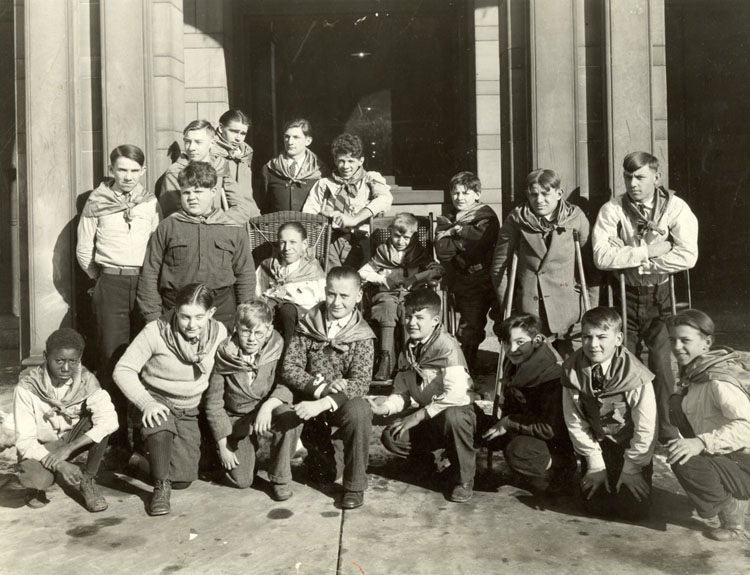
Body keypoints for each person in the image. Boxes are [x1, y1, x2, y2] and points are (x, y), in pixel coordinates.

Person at [592, 151, 698, 442]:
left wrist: (631, 257)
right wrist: (650, 251)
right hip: (624, 295)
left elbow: (687, 255)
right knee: (624, 361)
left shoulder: (675, 208)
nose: (633, 183)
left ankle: (665, 426)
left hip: (661, 295)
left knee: (662, 364)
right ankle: (630, 423)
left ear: (656, 177)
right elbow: (601, 256)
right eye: (628, 177)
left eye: (640, 177)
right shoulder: (612, 210)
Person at [114, 283, 227, 516]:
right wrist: (147, 402)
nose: (192, 324)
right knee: (159, 423)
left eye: (199, 317)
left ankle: (140, 460)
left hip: (189, 408)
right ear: (175, 310)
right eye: (185, 316)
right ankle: (159, 487)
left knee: (184, 479)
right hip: (157, 398)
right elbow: (122, 370)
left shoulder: (219, 333)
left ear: (211, 314)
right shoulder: (156, 331)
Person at [76, 144, 160, 453]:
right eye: (121, 169)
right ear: (112, 170)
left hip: (143, 284)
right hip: (109, 282)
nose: (127, 176)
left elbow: (156, 244)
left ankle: (144, 440)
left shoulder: (150, 203)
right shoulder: (95, 202)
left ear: (143, 171)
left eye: (134, 170)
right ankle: (116, 441)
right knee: (112, 360)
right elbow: (84, 250)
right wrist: (101, 281)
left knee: (144, 360)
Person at [370, 288, 478, 503]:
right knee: (392, 435)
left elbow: (457, 395)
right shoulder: (409, 349)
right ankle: (431, 463)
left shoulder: (446, 347)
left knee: (453, 416)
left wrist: (416, 417)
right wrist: (385, 408)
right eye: (408, 316)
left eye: (420, 317)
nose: (412, 323)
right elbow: (402, 392)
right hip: (431, 416)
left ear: (435, 320)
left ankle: (463, 478)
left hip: (458, 416)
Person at [280, 266, 375, 510]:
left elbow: (361, 381)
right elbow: (290, 366)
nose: (336, 302)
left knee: (360, 411)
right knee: (323, 475)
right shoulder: (309, 324)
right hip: (309, 402)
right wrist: (320, 389)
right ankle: (328, 454)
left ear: (358, 295)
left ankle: (354, 486)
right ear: (324, 292)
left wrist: (326, 401)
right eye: (331, 294)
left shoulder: (362, 334)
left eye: (344, 296)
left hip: (337, 405)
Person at [562, 306, 657, 520]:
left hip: (629, 444)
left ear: (618, 338)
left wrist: (632, 467)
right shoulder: (572, 370)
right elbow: (574, 420)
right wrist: (594, 462)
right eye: (587, 337)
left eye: (602, 337)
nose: (593, 344)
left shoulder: (635, 374)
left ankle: (631, 476)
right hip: (597, 443)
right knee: (595, 508)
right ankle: (600, 472)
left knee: (633, 511)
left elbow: (646, 425)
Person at [491, 169, 597, 358]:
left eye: (545, 194)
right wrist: (510, 308)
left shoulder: (575, 218)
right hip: (531, 311)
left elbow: (589, 267)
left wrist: (591, 307)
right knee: (538, 371)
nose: (539, 200)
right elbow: (500, 268)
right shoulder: (517, 220)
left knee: (572, 370)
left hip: (570, 310)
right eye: (534, 194)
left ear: (559, 193)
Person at [137, 161, 255, 330]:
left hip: (221, 311)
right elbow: (149, 274)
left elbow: (246, 275)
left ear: (213, 191)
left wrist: (244, 316)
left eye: (198, 191)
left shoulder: (233, 228)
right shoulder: (168, 227)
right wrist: (154, 318)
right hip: (175, 310)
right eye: (186, 192)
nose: (192, 197)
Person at [665, 309, 750, 541]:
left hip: (745, 459)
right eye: (673, 340)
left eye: (685, 340)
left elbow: (747, 427)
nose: (677, 347)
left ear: (707, 343)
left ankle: (733, 518)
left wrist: (700, 442)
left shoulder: (717, 380)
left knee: (685, 458)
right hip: (730, 455)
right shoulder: (694, 372)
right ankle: (728, 487)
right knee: (678, 439)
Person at [14, 328, 118, 512]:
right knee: (37, 479)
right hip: (43, 444)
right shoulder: (27, 387)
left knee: (102, 423)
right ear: (46, 356)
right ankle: (37, 486)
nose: (66, 368)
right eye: (59, 361)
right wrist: (60, 464)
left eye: (73, 361)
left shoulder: (86, 380)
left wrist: (68, 449)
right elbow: (25, 442)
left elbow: (110, 421)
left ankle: (88, 481)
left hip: (72, 438)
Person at [205, 301, 301, 500]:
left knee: (290, 417)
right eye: (245, 331)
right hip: (237, 417)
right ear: (236, 328)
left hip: (267, 409)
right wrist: (223, 445)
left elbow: (287, 383)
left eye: (258, 333)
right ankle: (240, 453)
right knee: (242, 481)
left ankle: (280, 478)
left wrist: (269, 404)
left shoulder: (277, 346)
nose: (251, 339)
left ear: (269, 331)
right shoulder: (224, 354)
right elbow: (214, 403)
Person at [481, 314, 576, 494]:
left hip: (552, 438)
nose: (513, 349)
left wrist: (509, 422)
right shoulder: (515, 363)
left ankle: (560, 466)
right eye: (507, 343)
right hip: (526, 426)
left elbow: (550, 428)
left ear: (537, 340)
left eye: (520, 342)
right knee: (480, 427)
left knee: (518, 451)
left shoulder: (550, 375)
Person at [358, 213, 443, 380]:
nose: (400, 241)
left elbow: (438, 270)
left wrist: (416, 278)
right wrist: (383, 279)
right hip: (387, 294)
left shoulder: (419, 252)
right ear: (390, 232)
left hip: (411, 295)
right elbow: (363, 272)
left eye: (406, 237)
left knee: (408, 311)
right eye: (397, 236)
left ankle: (408, 360)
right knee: (387, 309)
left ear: (413, 236)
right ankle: (386, 359)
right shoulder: (383, 252)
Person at [435, 171, 500, 373]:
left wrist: (458, 233)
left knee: (502, 321)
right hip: (467, 280)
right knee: (469, 326)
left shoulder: (485, 216)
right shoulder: (448, 218)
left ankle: (507, 366)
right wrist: (463, 241)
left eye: (465, 193)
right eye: (455, 193)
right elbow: (443, 251)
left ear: (477, 194)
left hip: (489, 277)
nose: (459, 198)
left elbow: (482, 240)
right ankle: (467, 368)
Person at [303, 133, 392, 270]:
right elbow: (308, 214)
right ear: (334, 159)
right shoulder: (325, 184)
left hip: (362, 241)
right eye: (341, 161)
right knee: (333, 279)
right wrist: (324, 216)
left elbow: (385, 199)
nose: (345, 166)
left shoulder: (369, 179)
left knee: (356, 281)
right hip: (330, 242)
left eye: (351, 161)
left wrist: (355, 219)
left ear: (361, 161)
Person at [159, 119, 258, 221]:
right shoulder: (176, 171)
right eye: (187, 142)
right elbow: (173, 213)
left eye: (198, 142)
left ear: (212, 143)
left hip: (220, 228)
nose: (191, 147)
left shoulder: (219, 165)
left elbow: (240, 206)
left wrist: (222, 221)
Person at [255, 222, 326, 347]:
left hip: (299, 319)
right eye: (283, 242)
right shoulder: (269, 266)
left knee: (287, 310)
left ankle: (290, 352)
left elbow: (321, 301)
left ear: (304, 244)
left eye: (293, 242)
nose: (287, 248)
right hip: (271, 315)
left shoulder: (311, 269)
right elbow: (256, 292)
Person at [261, 118, 328, 213]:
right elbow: (264, 206)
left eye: (296, 137)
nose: (290, 142)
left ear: (308, 141)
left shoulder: (320, 170)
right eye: (287, 137)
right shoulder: (270, 169)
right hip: (277, 226)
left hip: (309, 226)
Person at [211, 109, 258, 215]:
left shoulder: (245, 155)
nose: (238, 138)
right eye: (233, 131)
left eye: (243, 133)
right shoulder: (211, 153)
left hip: (246, 217)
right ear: (221, 128)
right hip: (220, 218)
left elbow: (247, 195)